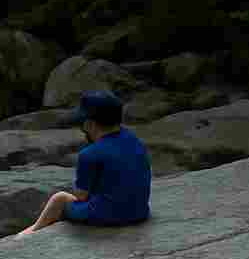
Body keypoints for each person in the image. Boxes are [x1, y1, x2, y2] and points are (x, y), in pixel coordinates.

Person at [19, 89, 152, 236]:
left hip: (108, 217)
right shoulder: (135, 142)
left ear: (89, 125)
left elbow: (81, 196)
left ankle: (29, 233)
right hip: (139, 212)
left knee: (60, 198)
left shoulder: (89, 154)